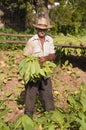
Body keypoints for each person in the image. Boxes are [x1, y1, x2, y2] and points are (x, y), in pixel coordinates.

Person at [23, 16, 56, 117]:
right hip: (34, 71)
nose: (42, 31)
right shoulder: (31, 41)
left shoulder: (50, 40)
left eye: (44, 29)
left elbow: (53, 55)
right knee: (31, 93)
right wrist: (35, 62)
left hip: (45, 70)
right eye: (40, 29)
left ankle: (50, 114)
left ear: (46, 29)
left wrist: (45, 58)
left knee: (47, 92)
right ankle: (29, 115)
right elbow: (25, 56)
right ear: (37, 29)